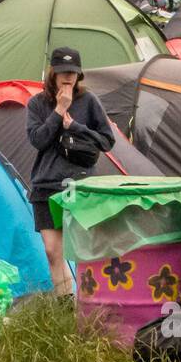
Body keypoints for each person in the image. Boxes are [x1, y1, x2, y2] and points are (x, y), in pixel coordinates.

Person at [26, 47, 115, 297]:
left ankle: (89, 304)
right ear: (53, 73)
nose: (68, 77)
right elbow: (38, 140)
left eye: (73, 73)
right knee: (52, 251)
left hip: (81, 185)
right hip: (46, 185)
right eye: (63, 72)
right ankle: (66, 306)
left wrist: (76, 126)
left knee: (86, 250)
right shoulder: (37, 104)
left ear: (79, 75)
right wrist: (58, 111)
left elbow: (107, 141)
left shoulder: (89, 101)